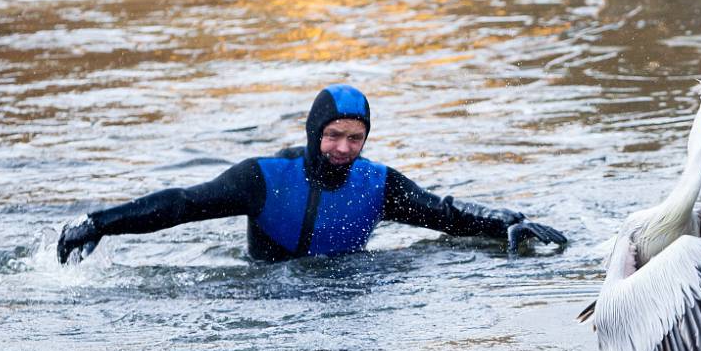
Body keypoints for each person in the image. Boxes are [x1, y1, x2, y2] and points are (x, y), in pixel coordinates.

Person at [57, 84, 567, 264]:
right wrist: (101, 222)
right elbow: (183, 204)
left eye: (355, 138)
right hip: (268, 287)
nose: (343, 148)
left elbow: (445, 214)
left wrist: (505, 222)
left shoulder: (379, 185)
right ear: (312, 134)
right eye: (333, 136)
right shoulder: (262, 179)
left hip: (345, 286)